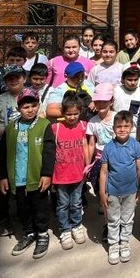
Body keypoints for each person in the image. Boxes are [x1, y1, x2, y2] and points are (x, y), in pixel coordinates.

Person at [0, 88, 55, 259]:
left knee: (40, 207)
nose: (30, 110)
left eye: (33, 105)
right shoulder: (10, 128)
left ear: (38, 106)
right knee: (23, 207)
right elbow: (3, 153)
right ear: (18, 109)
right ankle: (29, 233)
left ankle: (43, 234)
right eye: (25, 107)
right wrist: (3, 176)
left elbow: (49, 151)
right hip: (17, 177)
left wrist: (46, 174)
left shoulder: (44, 125)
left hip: (36, 177)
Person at [100, 111, 140, 265]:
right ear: (114, 128)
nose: (122, 129)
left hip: (131, 191)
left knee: (127, 219)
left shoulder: (135, 145)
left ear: (131, 127)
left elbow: (139, 169)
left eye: (126, 126)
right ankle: (113, 245)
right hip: (112, 191)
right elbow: (104, 172)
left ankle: (124, 242)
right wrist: (101, 192)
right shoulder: (108, 148)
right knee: (113, 219)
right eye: (119, 126)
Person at [50, 95, 90, 251]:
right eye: (69, 114)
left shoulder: (83, 126)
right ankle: (65, 230)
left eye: (75, 113)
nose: (72, 117)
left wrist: (87, 166)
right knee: (62, 204)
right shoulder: (56, 128)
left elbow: (86, 145)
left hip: (78, 173)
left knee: (76, 202)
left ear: (80, 112)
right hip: (60, 175)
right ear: (62, 113)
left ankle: (76, 225)